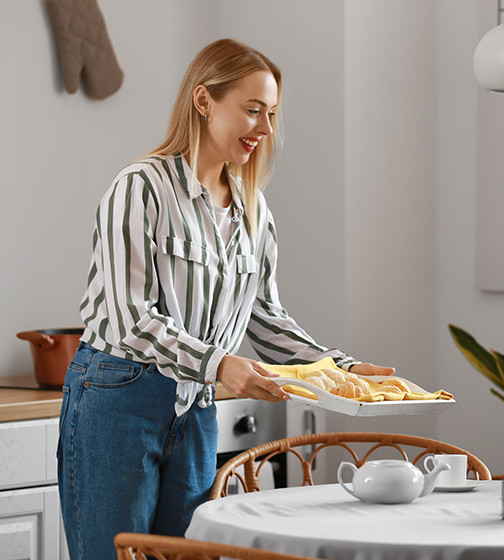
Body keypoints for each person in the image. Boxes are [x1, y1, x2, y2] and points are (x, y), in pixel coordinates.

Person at [57, 38, 394, 560]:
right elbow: (128, 321)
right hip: (119, 401)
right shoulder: (141, 188)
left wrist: (339, 368)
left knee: (185, 555)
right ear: (204, 101)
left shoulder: (253, 210)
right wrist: (221, 365)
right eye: (253, 110)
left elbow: (265, 317)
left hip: (196, 408)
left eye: (272, 113)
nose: (265, 128)